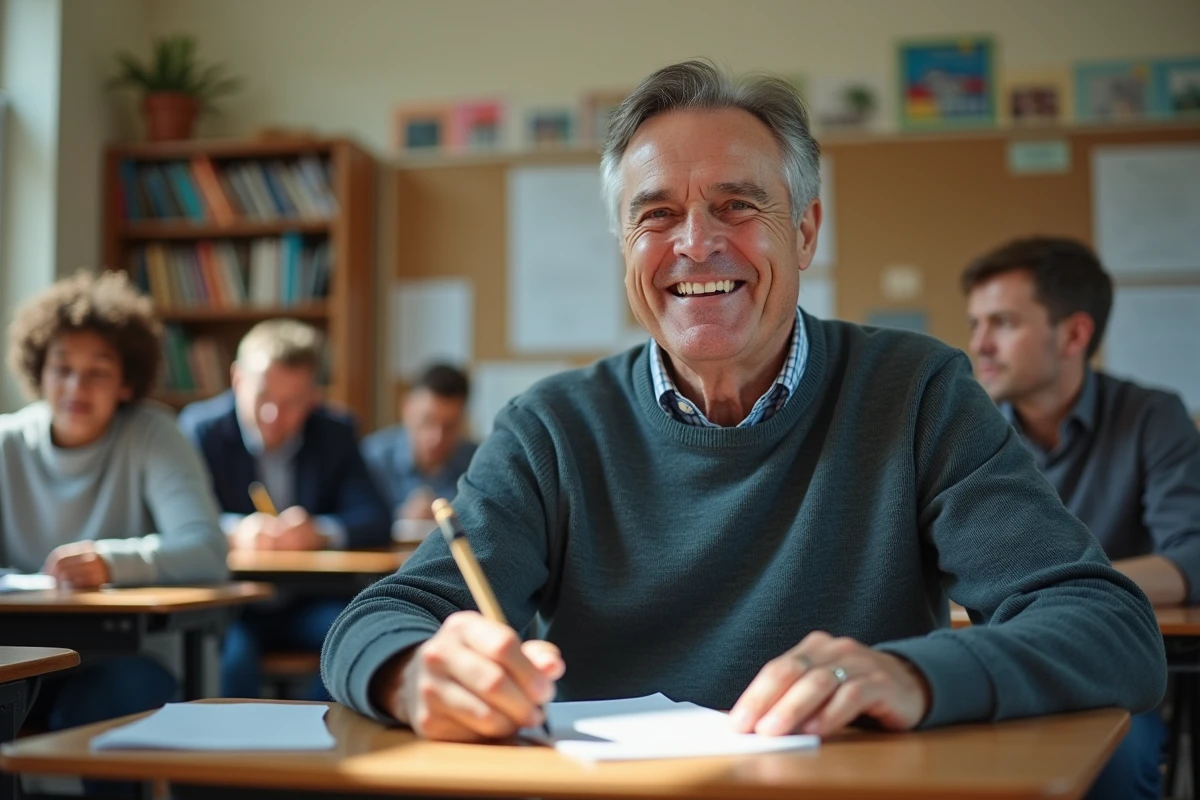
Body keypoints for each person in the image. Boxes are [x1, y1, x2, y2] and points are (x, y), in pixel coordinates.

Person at [322, 61, 1164, 799]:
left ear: (804, 230)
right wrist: (412, 671)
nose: (695, 244)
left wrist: (915, 674)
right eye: (655, 215)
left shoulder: (917, 392)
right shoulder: (550, 426)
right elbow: (384, 616)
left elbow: (1108, 627)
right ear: (625, 247)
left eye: (737, 205)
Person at [963, 236, 1200, 800]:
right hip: (985, 662)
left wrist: (1069, 591)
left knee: (1116, 765)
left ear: (1074, 334)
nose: (979, 345)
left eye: (1002, 323)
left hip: (1104, 668)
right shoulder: (965, 427)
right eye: (975, 324)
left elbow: (1192, 556)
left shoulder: (1152, 416)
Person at [1, 271, 227, 792]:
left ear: (126, 381)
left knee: (103, 706)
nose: (76, 387)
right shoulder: (7, 442)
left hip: (131, 656)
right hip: (22, 655)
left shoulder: (153, 434)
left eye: (97, 372)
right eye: (62, 369)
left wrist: (111, 562)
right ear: (39, 371)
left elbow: (207, 551)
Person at [178, 318, 390, 700]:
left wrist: (320, 532)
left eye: (292, 403)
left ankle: (317, 752)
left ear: (314, 396)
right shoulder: (199, 430)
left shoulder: (335, 432)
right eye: (263, 397)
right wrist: (232, 531)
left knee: (356, 643)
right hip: (229, 605)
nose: (274, 417)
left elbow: (375, 517)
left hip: (305, 601)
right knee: (233, 662)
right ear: (237, 380)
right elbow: (176, 519)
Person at [361, 363, 477, 522]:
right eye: (427, 421)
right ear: (406, 409)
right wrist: (399, 519)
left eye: (449, 426)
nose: (437, 437)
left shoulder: (477, 463)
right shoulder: (371, 457)